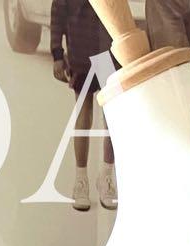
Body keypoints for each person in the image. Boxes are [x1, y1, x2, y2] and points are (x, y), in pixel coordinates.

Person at [50, 0, 117, 211]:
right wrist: (57, 53)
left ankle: (107, 176)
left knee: (112, 117)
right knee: (83, 114)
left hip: (109, 50)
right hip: (81, 48)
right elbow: (58, 11)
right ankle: (81, 180)